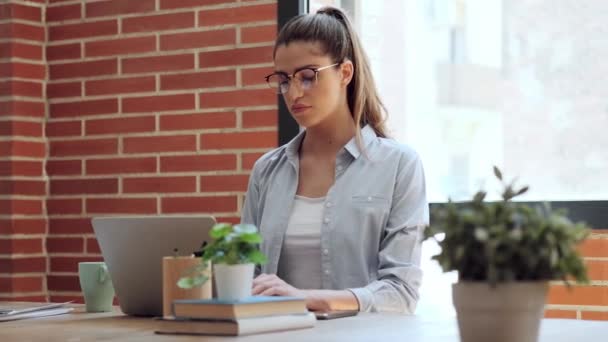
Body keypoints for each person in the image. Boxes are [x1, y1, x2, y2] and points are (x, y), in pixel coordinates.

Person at [240, 6, 429, 314]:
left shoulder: (399, 165)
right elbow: (246, 277)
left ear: (345, 73)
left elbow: (401, 293)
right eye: (284, 80)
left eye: (308, 76)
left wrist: (307, 298)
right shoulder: (266, 171)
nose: (294, 92)